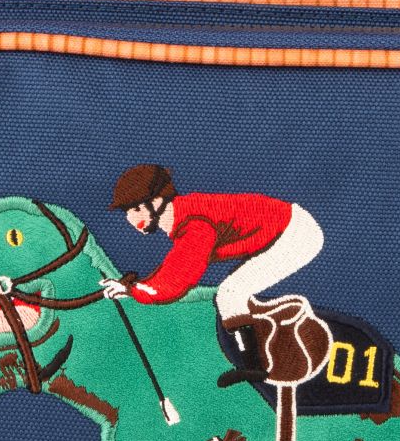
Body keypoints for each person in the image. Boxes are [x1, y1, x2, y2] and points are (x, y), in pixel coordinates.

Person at [106, 164, 328, 384]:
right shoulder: (184, 214)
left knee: (231, 293)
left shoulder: (194, 223)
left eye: (136, 209)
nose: (131, 220)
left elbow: (177, 279)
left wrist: (133, 290)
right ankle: (255, 362)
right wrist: (134, 288)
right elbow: (173, 266)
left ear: (156, 202)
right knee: (232, 292)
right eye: (127, 212)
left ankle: (255, 367)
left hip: (296, 235)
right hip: (286, 230)